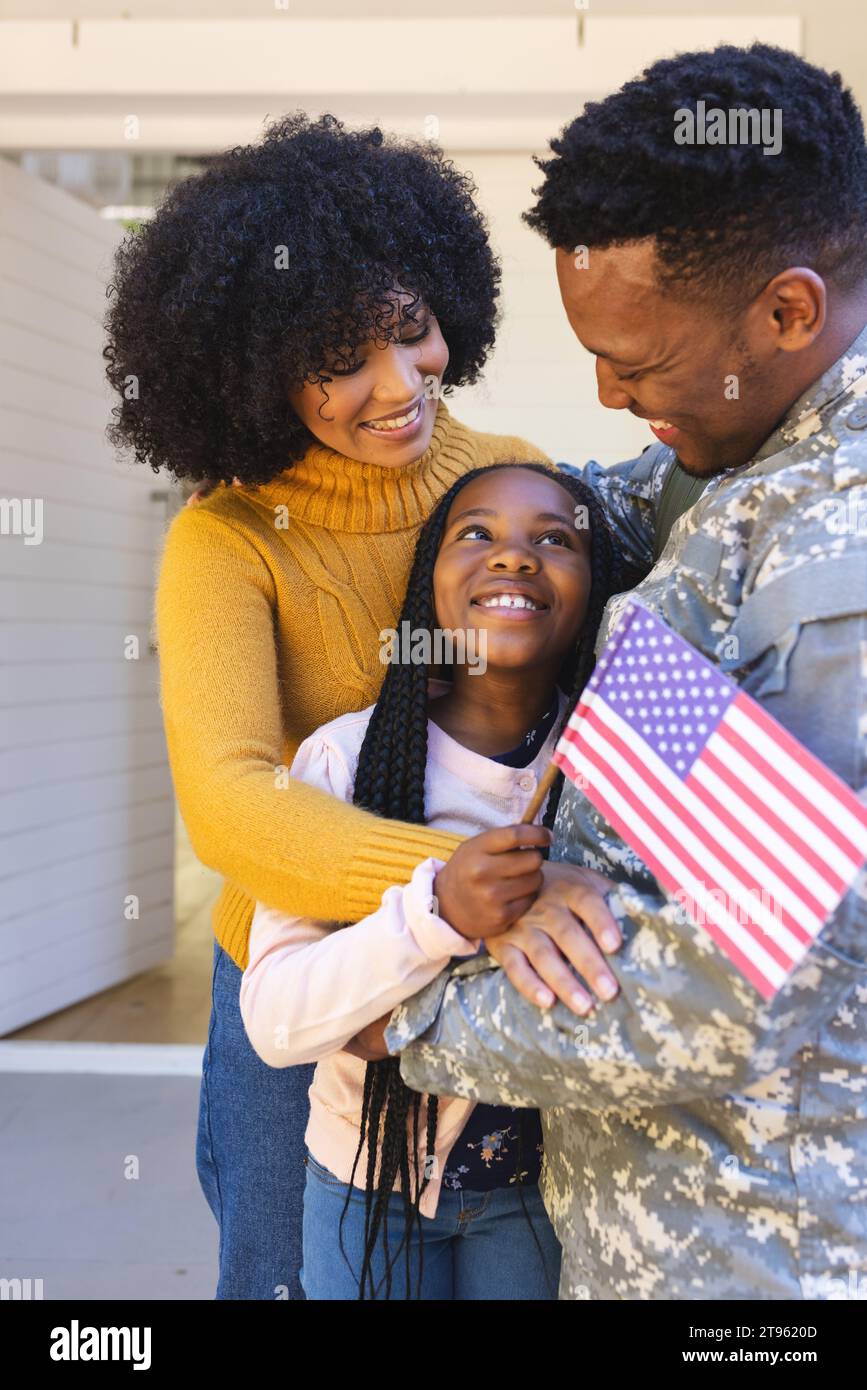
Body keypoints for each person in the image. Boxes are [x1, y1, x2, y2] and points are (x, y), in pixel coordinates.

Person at [375, 44, 867, 1301]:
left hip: (761, 1266)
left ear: (790, 312)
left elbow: (753, 968)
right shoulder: (737, 470)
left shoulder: (834, 540)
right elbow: (559, 518)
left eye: (637, 363)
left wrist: (419, 1014)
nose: (607, 391)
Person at [104, 112, 553, 1299]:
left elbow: (624, 681)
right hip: (302, 981)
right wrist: (466, 890)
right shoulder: (226, 541)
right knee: (283, 1271)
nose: (397, 387)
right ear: (253, 373)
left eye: (412, 333)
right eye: (338, 360)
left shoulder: (512, 477)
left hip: (510, 956)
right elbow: (233, 809)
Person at [239, 463, 628, 1299]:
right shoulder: (344, 759)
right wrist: (438, 913)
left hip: (545, 1192)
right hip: (366, 1188)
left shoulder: (624, 756)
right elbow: (276, 1020)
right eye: (476, 534)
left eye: (553, 540)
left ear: (596, 587)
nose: (514, 558)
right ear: (429, 580)